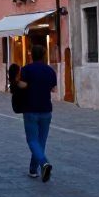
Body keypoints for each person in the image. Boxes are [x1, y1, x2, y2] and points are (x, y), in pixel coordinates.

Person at [16, 44, 57, 182]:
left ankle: (44, 163)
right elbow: (53, 89)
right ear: (44, 55)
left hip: (30, 109)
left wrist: (16, 83)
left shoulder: (27, 69)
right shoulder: (50, 70)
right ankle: (33, 170)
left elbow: (23, 85)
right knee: (41, 141)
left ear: (31, 55)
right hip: (46, 109)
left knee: (32, 140)